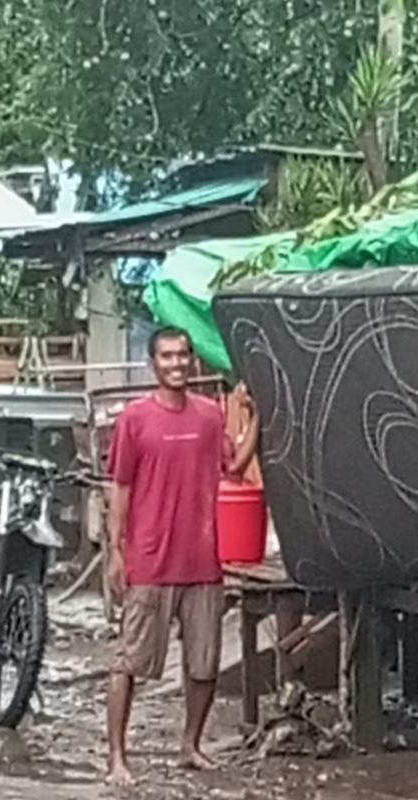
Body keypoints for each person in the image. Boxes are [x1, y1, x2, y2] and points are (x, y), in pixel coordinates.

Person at [104, 326, 259, 787]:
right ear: (153, 364)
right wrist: (116, 551)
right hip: (150, 559)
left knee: (204, 663)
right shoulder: (134, 419)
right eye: (167, 356)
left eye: (184, 355)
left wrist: (260, 422)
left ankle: (190, 745)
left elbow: (232, 468)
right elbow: (120, 487)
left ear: (193, 361)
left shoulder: (211, 416)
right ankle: (116, 756)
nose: (177, 363)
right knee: (129, 662)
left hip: (203, 561)